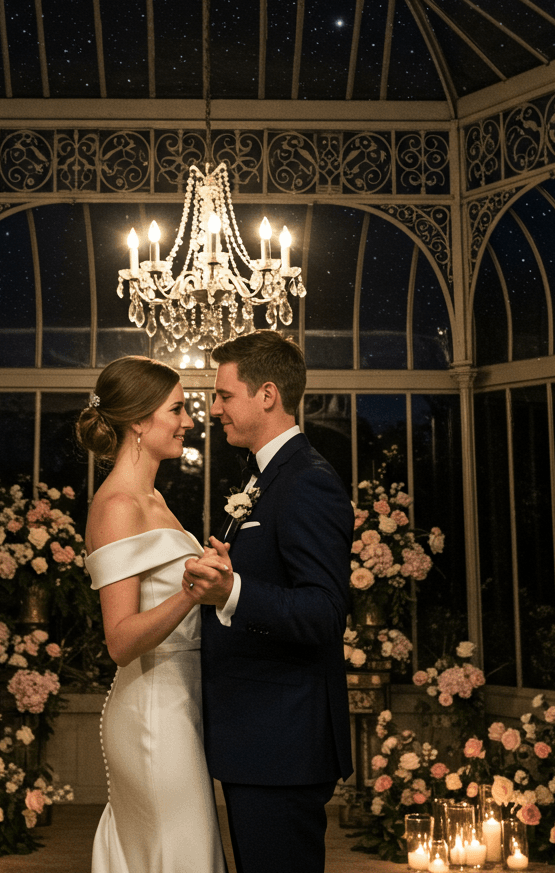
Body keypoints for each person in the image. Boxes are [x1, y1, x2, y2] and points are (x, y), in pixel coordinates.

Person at [184, 330, 353, 873]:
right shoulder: (264, 476)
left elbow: (325, 612)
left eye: (223, 395)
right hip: (258, 738)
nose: (213, 409)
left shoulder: (307, 481)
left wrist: (230, 590)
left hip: (282, 744)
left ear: (267, 394)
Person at [78, 355, 228, 873]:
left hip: (179, 705)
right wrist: (190, 592)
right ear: (139, 420)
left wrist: (213, 580)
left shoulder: (154, 497)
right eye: (178, 409)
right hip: (153, 716)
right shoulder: (119, 505)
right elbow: (119, 641)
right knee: (180, 853)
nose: (189, 420)